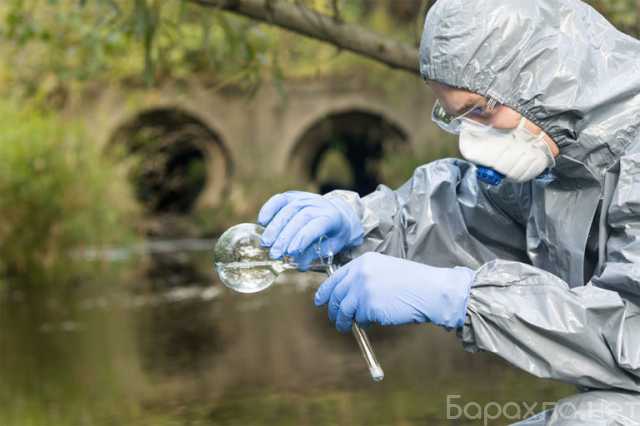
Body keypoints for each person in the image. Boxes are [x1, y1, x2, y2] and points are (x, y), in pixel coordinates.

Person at [258, 0, 640, 423]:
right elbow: (461, 215)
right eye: (458, 117)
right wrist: (360, 224)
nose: (471, 141)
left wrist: (461, 298)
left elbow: (632, 335)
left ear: (547, 76)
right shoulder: (560, 155)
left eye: (481, 110)